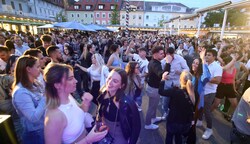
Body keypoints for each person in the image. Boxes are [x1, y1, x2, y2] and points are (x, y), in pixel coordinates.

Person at [43, 63, 107, 144]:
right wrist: (87, 140)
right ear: (57, 85)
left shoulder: (68, 96)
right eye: (70, 79)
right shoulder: (54, 116)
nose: (76, 81)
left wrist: (86, 103)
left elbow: (80, 111)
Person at [97, 68, 141, 144]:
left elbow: (136, 126)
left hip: (119, 136)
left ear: (121, 85)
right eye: (109, 78)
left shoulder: (126, 103)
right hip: (105, 133)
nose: (109, 82)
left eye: (115, 81)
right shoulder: (103, 94)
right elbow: (100, 113)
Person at [12, 55, 46, 144]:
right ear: (28, 69)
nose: (40, 69)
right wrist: (45, 97)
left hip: (43, 129)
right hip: (35, 135)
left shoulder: (35, 84)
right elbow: (33, 117)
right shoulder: (21, 92)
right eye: (37, 67)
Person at [159, 71, 195, 144]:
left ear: (180, 79)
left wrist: (163, 79)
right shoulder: (193, 94)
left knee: (169, 136)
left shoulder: (175, 91)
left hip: (173, 120)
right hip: (185, 123)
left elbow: (161, 92)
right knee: (178, 137)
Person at [145, 46, 169, 130]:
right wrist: (168, 63)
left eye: (163, 53)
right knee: (151, 107)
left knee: (154, 106)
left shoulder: (153, 62)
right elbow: (163, 75)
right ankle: (147, 124)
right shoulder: (155, 64)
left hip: (154, 87)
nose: (163, 55)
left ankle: (153, 118)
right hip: (153, 89)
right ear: (155, 54)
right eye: (161, 53)